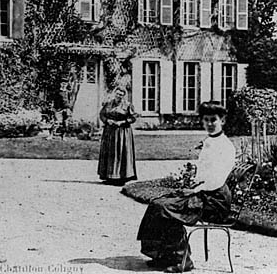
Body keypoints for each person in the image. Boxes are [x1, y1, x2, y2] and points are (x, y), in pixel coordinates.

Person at [137, 101, 236, 272]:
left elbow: (217, 179)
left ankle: (182, 259)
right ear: (202, 121)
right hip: (205, 193)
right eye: (206, 120)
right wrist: (192, 186)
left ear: (223, 121)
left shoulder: (225, 146)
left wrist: (194, 190)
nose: (210, 124)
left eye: (214, 120)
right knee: (157, 203)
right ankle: (164, 255)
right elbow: (205, 173)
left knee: (167, 209)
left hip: (215, 200)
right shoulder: (210, 142)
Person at [97, 86, 138, 184]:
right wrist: (107, 120)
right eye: (117, 94)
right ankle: (109, 177)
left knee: (121, 153)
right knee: (110, 153)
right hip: (109, 132)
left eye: (121, 95)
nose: (119, 96)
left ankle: (122, 177)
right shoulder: (108, 104)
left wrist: (123, 122)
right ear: (114, 93)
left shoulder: (127, 105)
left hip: (122, 132)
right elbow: (102, 114)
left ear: (124, 96)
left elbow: (133, 117)